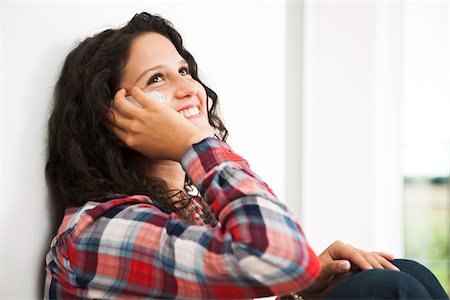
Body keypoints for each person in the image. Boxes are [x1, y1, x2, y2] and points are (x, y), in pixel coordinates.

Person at [44, 12, 448, 299]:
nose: (190, 90)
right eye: (157, 79)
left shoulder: (191, 210)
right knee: (387, 289)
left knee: (404, 273)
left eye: (184, 71)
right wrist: (193, 145)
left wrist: (299, 286)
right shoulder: (99, 230)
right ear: (111, 117)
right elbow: (280, 255)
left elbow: (272, 267)